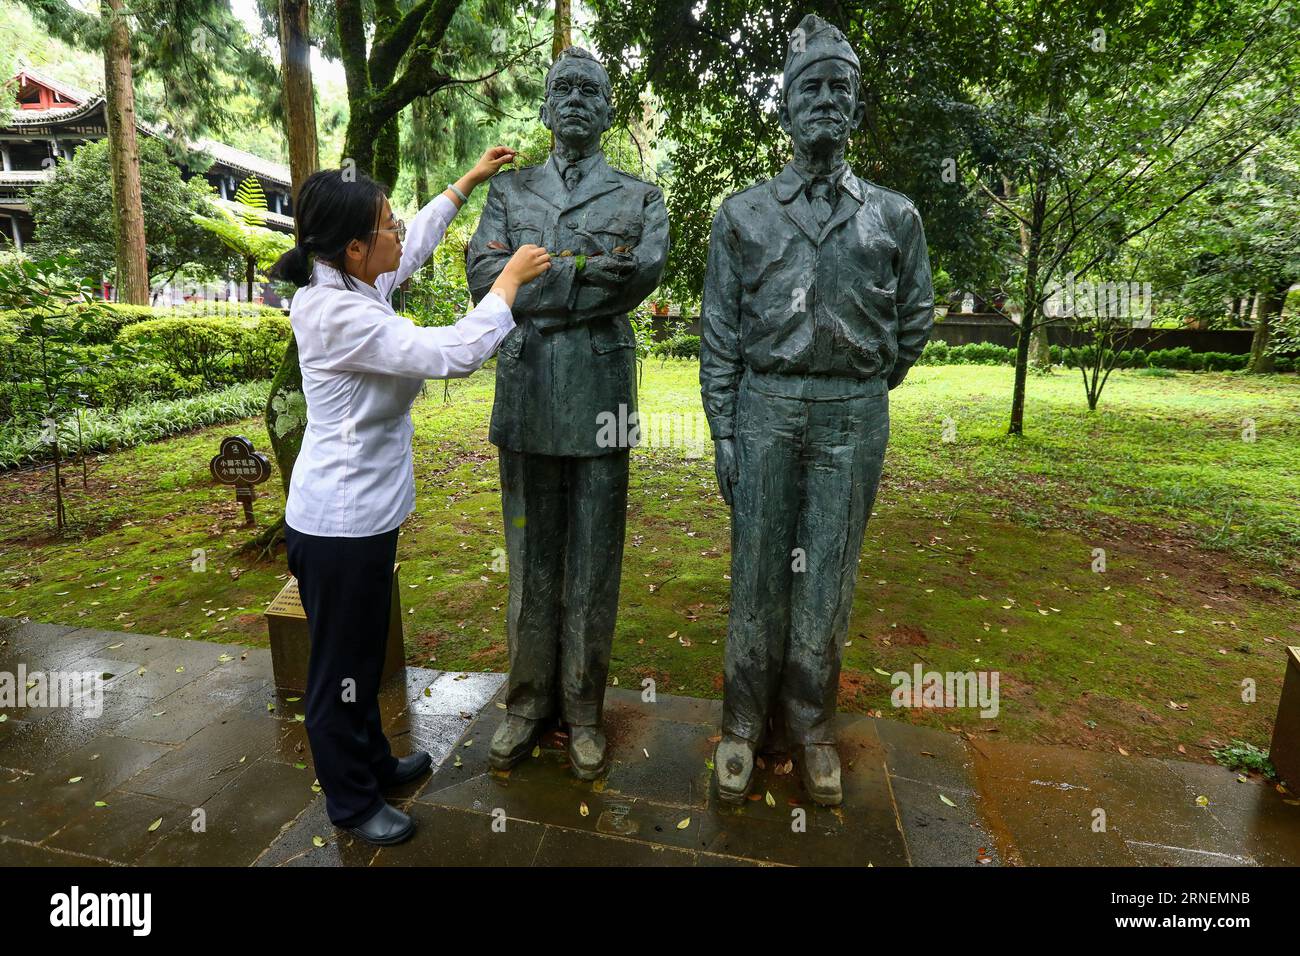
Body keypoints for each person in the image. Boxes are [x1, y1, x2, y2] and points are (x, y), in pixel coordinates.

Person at [269, 148, 551, 846]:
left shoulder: (354, 276)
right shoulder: (337, 314)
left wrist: (468, 180)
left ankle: (374, 763)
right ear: (355, 248)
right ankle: (352, 804)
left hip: (363, 518)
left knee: (362, 657)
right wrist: (507, 282)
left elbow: (415, 242)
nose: (399, 236)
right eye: (385, 227)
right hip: (338, 526)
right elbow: (452, 352)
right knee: (338, 669)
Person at [700, 15, 935, 806]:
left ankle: (810, 728)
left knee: (827, 577)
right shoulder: (743, 216)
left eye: (841, 87)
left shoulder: (894, 217)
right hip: (765, 410)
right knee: (757, 572)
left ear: (856, 105)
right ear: (786, 106)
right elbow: (720, 338)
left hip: (852, 415)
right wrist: (726, 433)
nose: (827, 99)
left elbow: (915, 322)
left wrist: (860, 383)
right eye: (812, 87)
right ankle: (740, 725)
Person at [464, 47, 669, 780]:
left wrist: (542, 268)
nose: (576, 99)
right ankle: (525, 704)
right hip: (526, 393)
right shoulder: (511, 191)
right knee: (530, 559)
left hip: (602, 400)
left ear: (609, 109)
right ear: (546, 109)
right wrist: (585, 271)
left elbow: (638, 275)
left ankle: (583, 710)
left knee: (593, 562)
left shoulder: (639, 197)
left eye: (591, 89)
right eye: (564, 90)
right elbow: (487, 277)